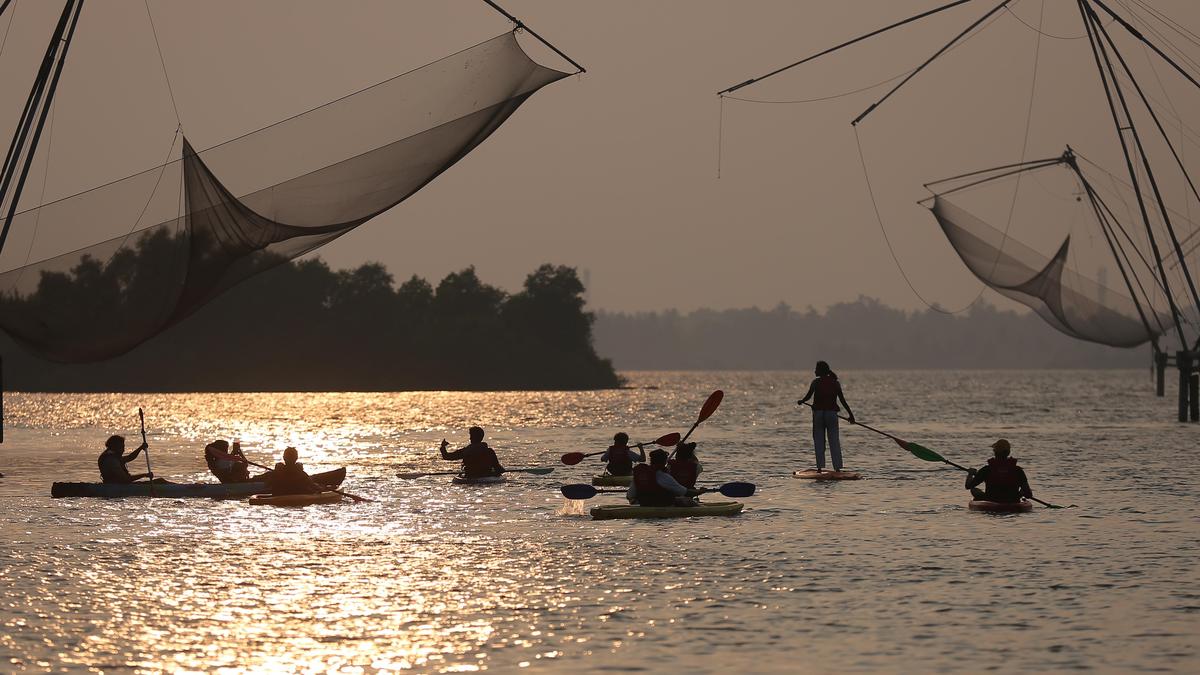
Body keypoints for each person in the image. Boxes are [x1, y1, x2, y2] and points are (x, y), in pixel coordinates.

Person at [797, 360, 855, 473]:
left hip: (818, 414)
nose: (814, 371)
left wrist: (801, 401)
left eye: (816, 369)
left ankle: (819, 468)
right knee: (834, 441)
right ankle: (837, 468)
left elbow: (808, 397)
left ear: (820, 371)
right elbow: (842, 400)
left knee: (819, 440)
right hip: (831, 415)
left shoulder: (815, 382)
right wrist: (851, 415)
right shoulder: (835, 382)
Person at [628, 449, 706, 507]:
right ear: (664, 461)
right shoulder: (664, 476)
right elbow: (685, 492)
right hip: (661, 505)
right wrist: (700, 491)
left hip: (643, 504)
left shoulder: (640, 473)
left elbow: (629, 496)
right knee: (689, 501)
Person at [965, 439, 1033, 503]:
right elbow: (1028, 494)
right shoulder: (1018, 470)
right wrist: (1022, 493)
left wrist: (970, 474)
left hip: (991, 499)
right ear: (1008, 452)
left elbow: (968, 486)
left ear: (994, 452)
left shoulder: (987, 469)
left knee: (974, 490)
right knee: (1023, 490)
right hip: (1012, 500)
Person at [440, 426, 505, 479]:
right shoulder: (490, 451)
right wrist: (501, 471)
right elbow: (498, 468)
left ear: (473, 437)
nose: (470, 438)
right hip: (486, 475)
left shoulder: (467, 451)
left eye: (471, 436)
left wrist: (443, 447)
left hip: (471, 476)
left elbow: (447, 457)